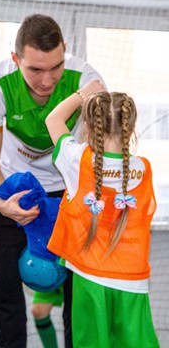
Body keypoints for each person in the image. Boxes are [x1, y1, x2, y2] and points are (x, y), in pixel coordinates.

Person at [0, 13, 105, 347]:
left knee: (82, 299)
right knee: (2, 295)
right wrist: (2, 203)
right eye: (35, 70)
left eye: (55, 67)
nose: (47, 80)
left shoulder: (85, 79)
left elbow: (96, 159)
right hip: (11, 185)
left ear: (66, 51)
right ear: (15, 59)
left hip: (68, 191)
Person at [45, 81, 159, 347]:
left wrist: (82, 93)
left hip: (90, 277)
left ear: (88, 126)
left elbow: (53, 120)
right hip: (132, 279)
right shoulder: (144, 168)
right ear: (130, 128)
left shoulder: (77, 159)